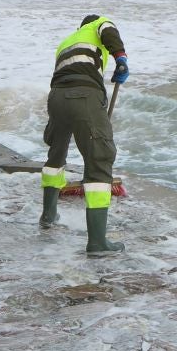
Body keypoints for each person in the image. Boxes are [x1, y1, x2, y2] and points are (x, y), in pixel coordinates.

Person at [39, 14, 128, 255]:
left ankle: (48, 215)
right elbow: (108, 29)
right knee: (99, 159)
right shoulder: (98, 24)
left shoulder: (67, 42)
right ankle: (98, 243)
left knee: (56, 153)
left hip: (56, 97)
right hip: (84, 96)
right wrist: (121, 58)